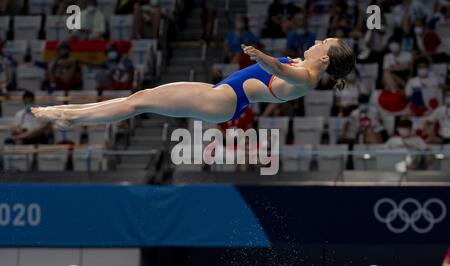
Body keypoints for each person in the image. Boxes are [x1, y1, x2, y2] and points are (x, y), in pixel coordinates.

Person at [32, 38, 356, 128]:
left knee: (139, 102)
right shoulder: (306, 68)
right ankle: (69, 114)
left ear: (325, 58)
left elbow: (284, 74)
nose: (317, 40)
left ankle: (69, 116)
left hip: (222, 101)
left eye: (324, 41)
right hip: (222, 97)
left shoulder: (307, 77)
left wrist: (261, 57)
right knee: (141, 97)